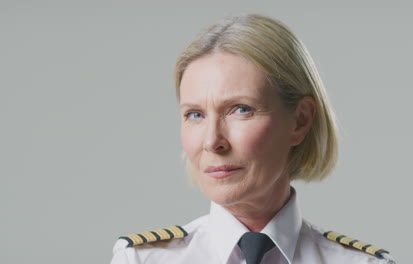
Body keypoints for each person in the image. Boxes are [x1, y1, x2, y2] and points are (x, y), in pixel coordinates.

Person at [111, 14, 396, 264]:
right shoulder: (141, 259)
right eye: (195, 115)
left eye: (241, 110)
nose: (212, 141)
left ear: (300, 120)